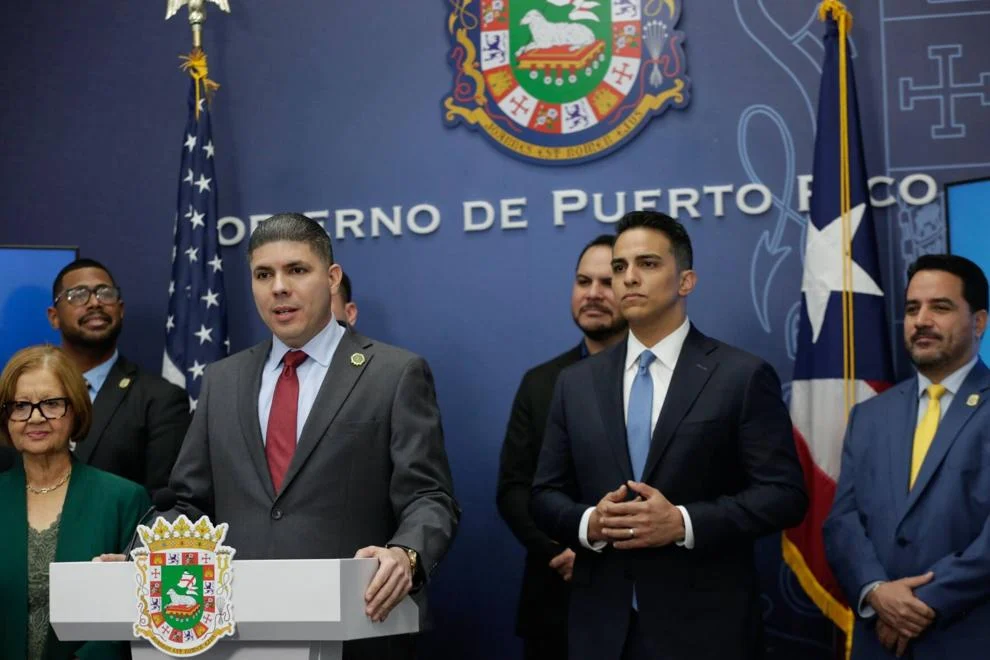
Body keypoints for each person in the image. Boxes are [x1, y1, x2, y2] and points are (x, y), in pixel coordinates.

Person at [169, 213, 459, 660]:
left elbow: (429, 496)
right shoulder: (223, 379)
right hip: (238, 633)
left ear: (332, 277)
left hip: (358, 629)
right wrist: (135, 558)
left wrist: (406, 554)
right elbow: (188, 503)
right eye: (263, 275)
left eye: (297, 270)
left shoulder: (394, 373)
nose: (279, 287)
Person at [531, 211, 807, 660]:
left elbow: (784, 495)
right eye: (619, 266)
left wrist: (683, 522)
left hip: (706, 631)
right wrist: (590, 523)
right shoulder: (576, 383)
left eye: (648, 263)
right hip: (601, 631)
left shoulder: (740, 376)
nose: (629, 277)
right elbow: (544, 495)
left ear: (686, 281)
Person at [824, 254, 989, 659]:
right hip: (877, 642)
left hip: (969, 638)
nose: (921, 320)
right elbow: (843, 521)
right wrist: (877, 591)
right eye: (913, 308)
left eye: (940, 307)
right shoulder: (869, 415)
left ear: (979, 322)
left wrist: (918, 604)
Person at [497, 234, 627, 660]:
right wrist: (563, 550)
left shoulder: (665, 378)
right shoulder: (540, 382)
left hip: (647, 597)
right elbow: (514, 489)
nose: (593, 294)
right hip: (556, 599)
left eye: (606, 282)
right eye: (583, 281)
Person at [0, 345, 150, 660]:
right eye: (20, 405)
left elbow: (136, 615)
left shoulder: (123, 500)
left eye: (51, 404)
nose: (35, 417)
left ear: (76, 409)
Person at [47, 258, 190, 495]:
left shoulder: (160, 399)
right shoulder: (22, 396)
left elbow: (163, 501)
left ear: (120, 310)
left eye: (105, 293)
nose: (95, 302)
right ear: (54, 317)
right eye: (78, 295)